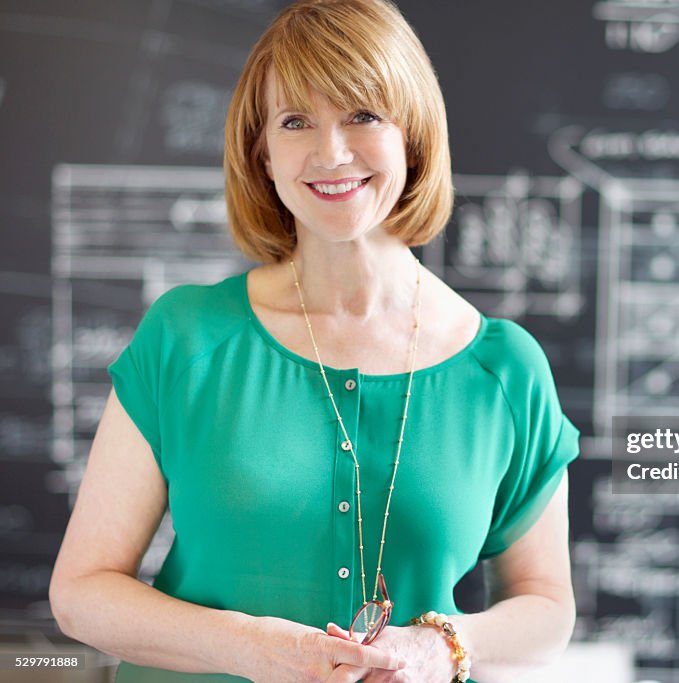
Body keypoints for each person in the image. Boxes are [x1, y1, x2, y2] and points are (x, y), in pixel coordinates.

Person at [48, 1, 580, 681]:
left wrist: (441, 645)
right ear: (261, 153)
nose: (331, 152)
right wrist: (244, 646)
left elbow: (546, 609)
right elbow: (80, 593)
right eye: (296, 121)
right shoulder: (184, 337)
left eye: (362, 114)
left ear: (412, 135)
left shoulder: (506, 369)